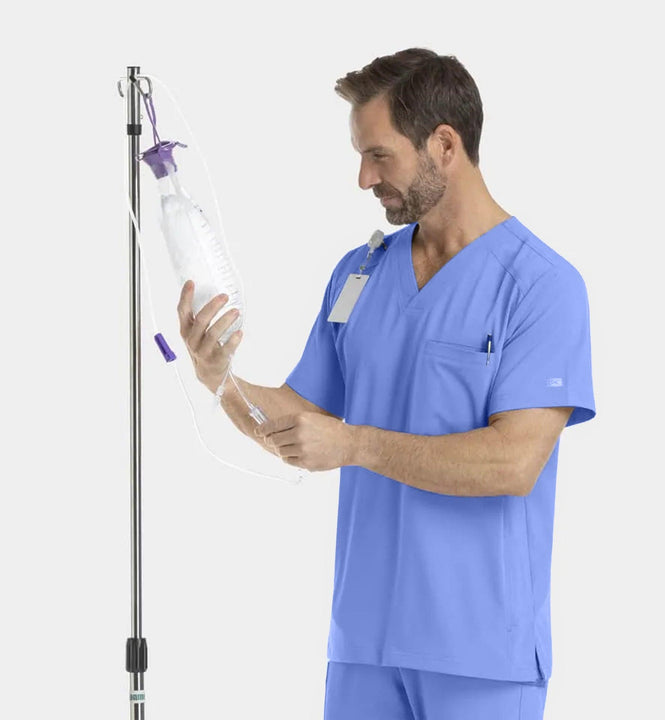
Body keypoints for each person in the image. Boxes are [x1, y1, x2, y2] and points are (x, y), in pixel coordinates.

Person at [177, 47, 596, 720]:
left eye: (379, 156)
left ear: (445, 146)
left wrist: (356, 445)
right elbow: (300, 419)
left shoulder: (541, 286)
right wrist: (221, 380)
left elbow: (514, 462)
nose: (364, 178)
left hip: (480, 657)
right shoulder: (359, 274)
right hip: (362, 651)